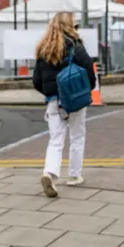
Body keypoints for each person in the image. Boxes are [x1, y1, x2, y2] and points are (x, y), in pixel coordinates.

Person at [33, 12, 97, 198]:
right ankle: (74, 176)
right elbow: (89, 72)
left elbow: (37, 80)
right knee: (77, 136)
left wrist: (50, 94)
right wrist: (87, 90)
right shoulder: (75, 46)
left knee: (55, 139)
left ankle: (50, 174)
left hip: (54, 101)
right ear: (70, 25)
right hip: (75, 99)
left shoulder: (44, 49)